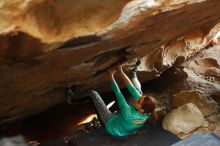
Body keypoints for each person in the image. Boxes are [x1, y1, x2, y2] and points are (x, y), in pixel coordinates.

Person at [67, 63, 158, 137]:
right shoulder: (148, 111)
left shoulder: (128, 113)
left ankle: (73, 99)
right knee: (138, 90)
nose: (137, 99)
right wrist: (120, 70)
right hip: (123, 120)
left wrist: (110, 74)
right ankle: (132, 74)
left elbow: (118, 94)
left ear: (142, 109)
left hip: (111, 126)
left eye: (139, 101)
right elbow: (131, 88)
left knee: (93, 93)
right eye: (140, 99)